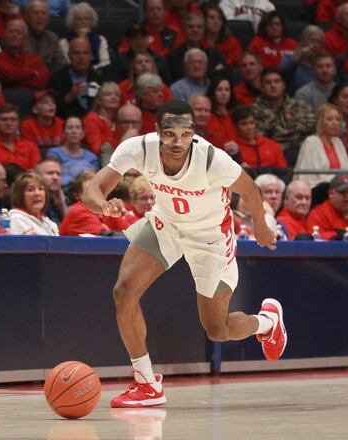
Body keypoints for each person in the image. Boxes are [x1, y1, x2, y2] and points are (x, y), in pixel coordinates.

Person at [82, 100, 286, 408]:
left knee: (218, 330)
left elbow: (251, 190)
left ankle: (267, 322)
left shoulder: (212, 160)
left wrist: (261, 226)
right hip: (168, 224)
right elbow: (93, 189)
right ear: (157, 132)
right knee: (124, 291)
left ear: (193, 133)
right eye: (170, 134)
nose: (178, 142)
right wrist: (103, 205)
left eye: (185, 133)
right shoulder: (138, 148)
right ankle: (147, 383)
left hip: (211, 238)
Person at [295, 103, 348, 189]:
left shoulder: (338, 142)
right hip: (317, 188)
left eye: (338, 119)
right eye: (330, 119)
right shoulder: (311, 142)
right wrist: (336, 180)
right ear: (320, 122)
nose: (335, 123)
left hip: (339, 186)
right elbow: (309, 178)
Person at [0, 104, 41, 171]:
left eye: (13, 120)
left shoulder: (30, 146)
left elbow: (36, 172)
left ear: (18, 123)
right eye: (4, 120)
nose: (9, 123)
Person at [307, 174, 348, 240]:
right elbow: (316, 239)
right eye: (342, 192)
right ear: (331, 193)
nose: (347, 196)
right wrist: (340, 236)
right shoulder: (318, 215)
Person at [46, 116, 100, 189]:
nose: (74, 131)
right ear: (63, 132)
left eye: (78, 128)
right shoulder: (54, 153)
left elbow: (95, 180)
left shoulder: (92, 157)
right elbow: (53, 177)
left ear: (83, 133)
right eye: (70, 127)